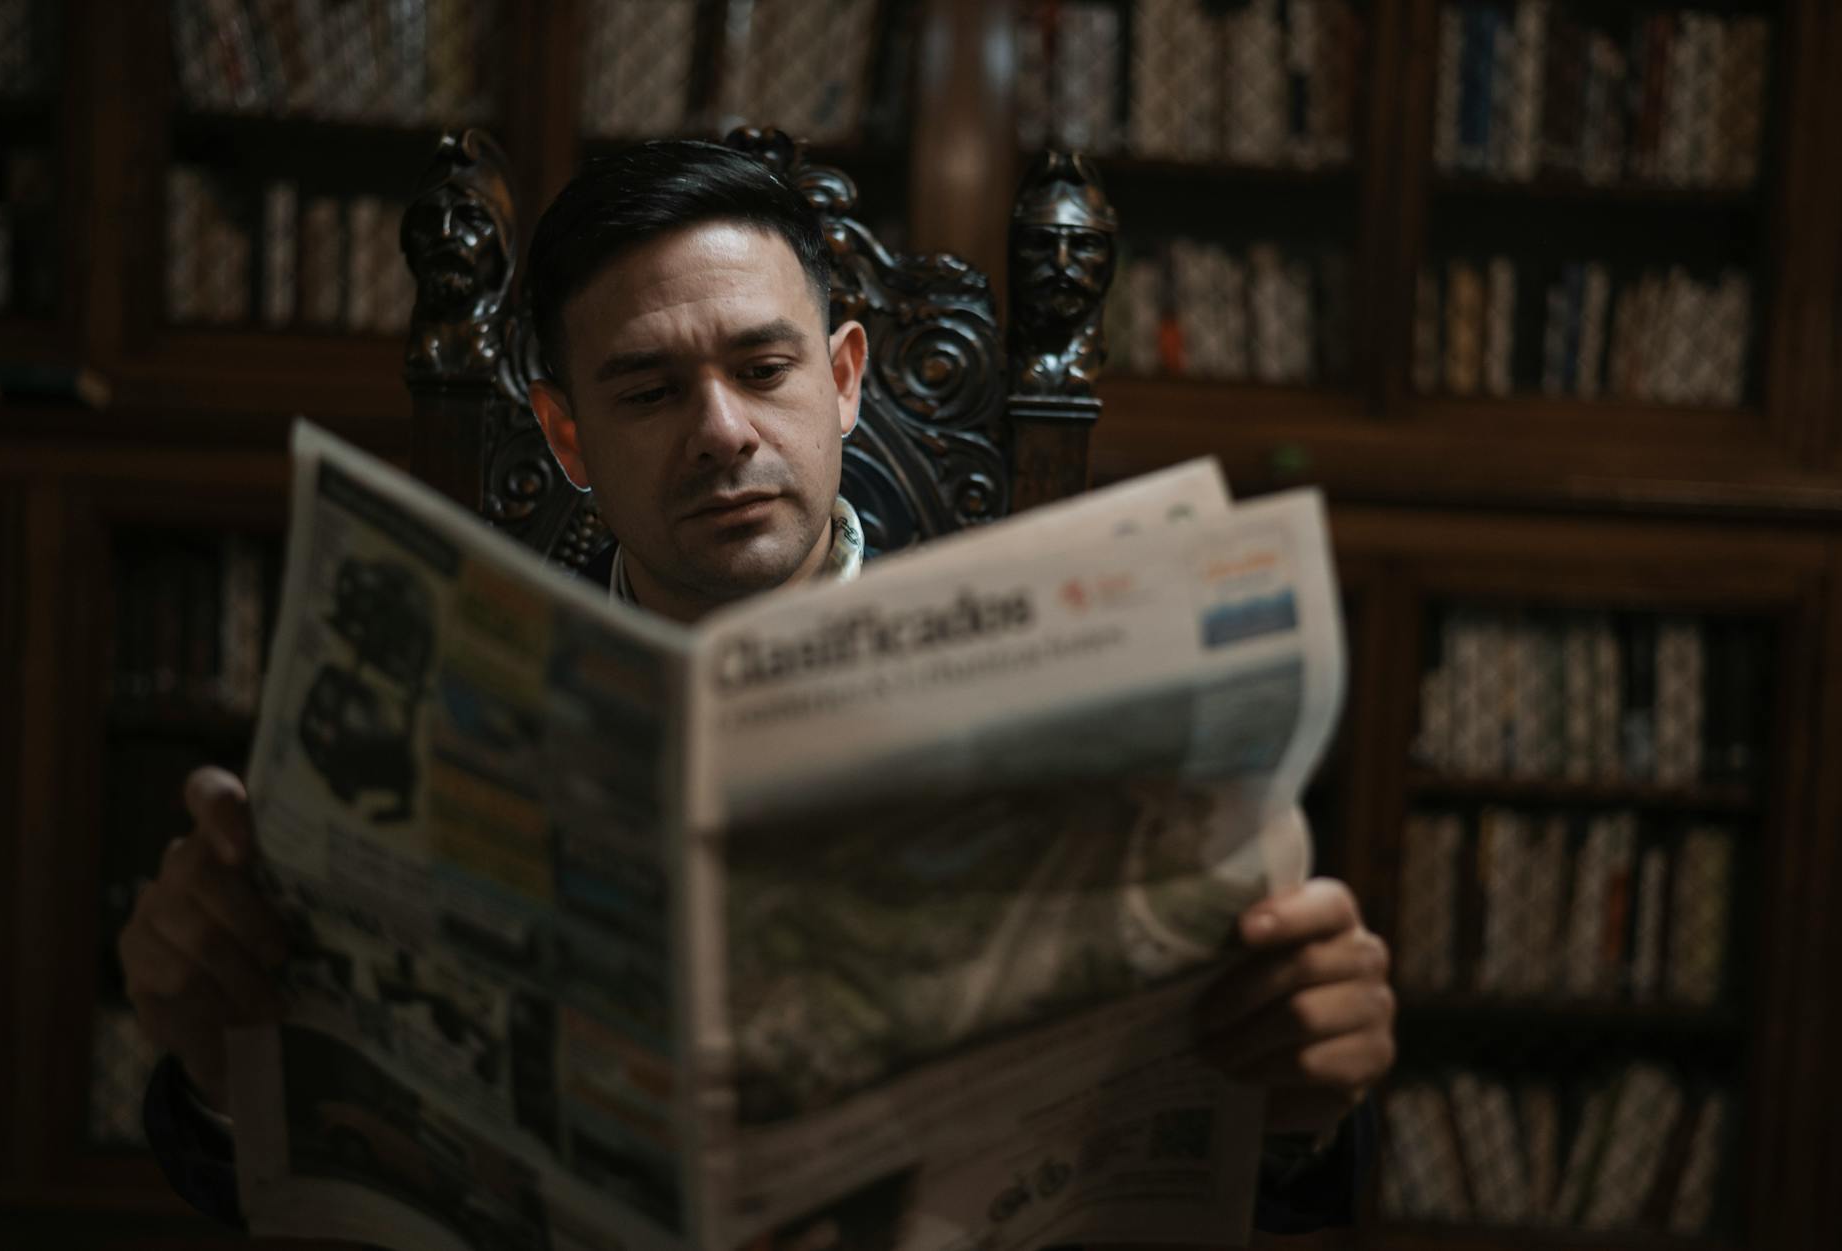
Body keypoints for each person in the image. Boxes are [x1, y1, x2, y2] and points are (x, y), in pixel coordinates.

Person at [124, 140, 1395, 1236]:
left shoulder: (1069, 704)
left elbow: (1271, 1184)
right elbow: (249, 1178)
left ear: (843, 379)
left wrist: (1298, 1110)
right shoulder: (409, 696)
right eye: (648, 388)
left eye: (763, 367)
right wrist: (213, 1060)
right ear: (566, 436)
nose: (722, 430)